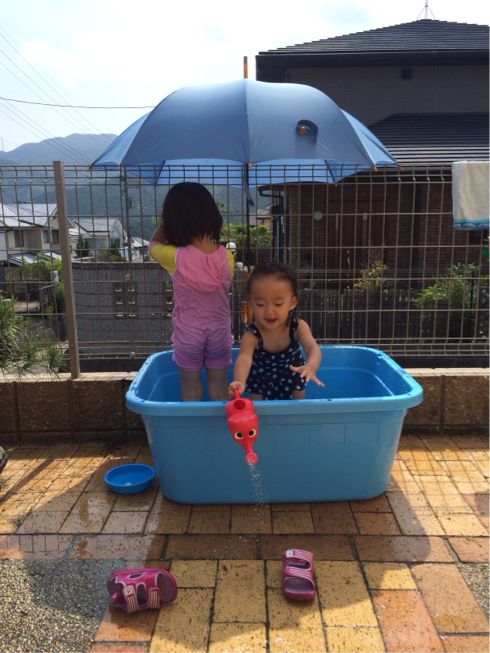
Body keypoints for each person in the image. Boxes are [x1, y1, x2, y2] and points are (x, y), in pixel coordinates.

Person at [149, 182, 234, 401]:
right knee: (219, 384)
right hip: (220, 329)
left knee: (190, 385)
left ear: (174, 221)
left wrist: (167, 224)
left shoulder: (175, 256)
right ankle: (220, 421)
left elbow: (153, 243)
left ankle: (193, 422)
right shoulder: (227, 257)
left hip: (189, 332)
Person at [229, 261, 324, 400]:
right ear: (251, 303)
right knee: (257, 403)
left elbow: (312, 347)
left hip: (292, 376)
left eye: (278, 304)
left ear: (292, 303)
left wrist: (311, 366)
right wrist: (240, 381)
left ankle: (297, 413)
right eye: (260, 304)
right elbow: (244, 358)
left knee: (298, 399)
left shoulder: (297, 326)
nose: (269, 311)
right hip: (261, 380)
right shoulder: (252, 335)